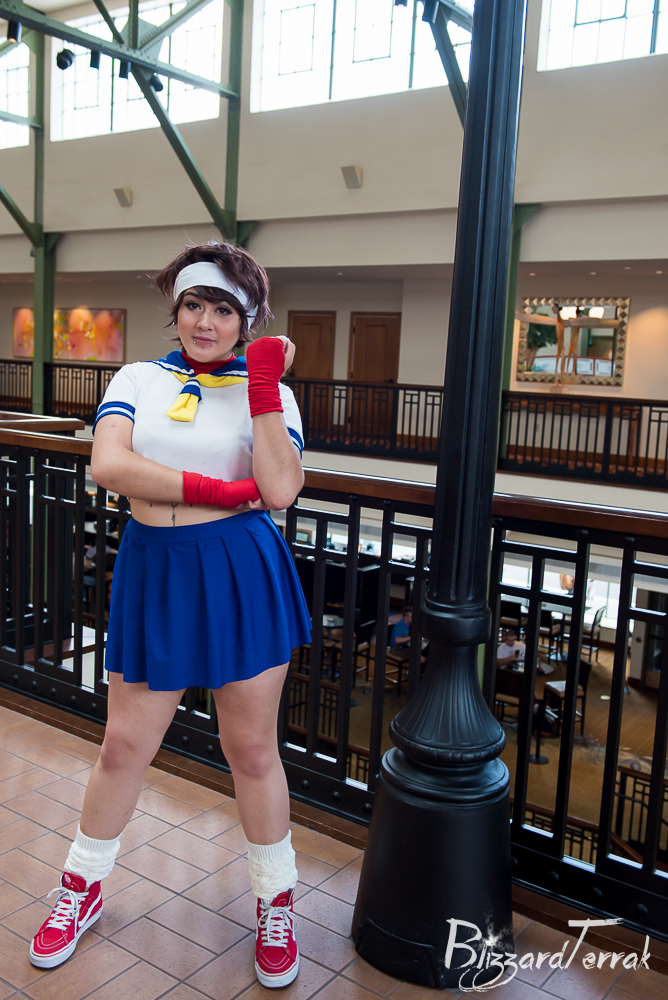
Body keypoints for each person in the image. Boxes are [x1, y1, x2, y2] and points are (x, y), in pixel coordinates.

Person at [29, 241, 312, 990]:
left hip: (241, 569)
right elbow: (109, 465)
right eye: (193, 305)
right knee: (124, 745)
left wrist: (261, 389)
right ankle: (81, 888)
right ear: (176, 309)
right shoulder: (137, 378)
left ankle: (275, 901)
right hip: (155, 566)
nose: (205, 322)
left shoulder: (272, 393)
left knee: (252, 751)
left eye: (223, 309)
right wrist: (220, 490)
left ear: (247, 319)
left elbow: (281, 489)